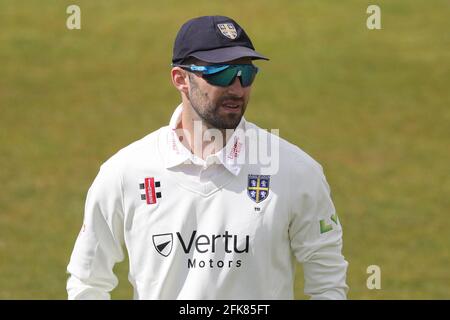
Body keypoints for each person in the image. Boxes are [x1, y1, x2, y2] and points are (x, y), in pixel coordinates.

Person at [66, 15, 349, 300]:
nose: (237, 89)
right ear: (181, 79)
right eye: (221, 73)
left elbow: (328, 284)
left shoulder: (297, 171)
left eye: (246, 73)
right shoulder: (125, 172)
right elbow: (88, 281)